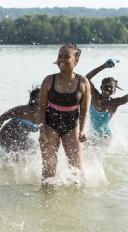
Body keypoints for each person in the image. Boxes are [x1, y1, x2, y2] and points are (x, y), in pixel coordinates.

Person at [39, 43, 91, 183]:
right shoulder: (49, 80)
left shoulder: (83, 82)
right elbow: (41, 108)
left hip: (72, 126)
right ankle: (47, 201)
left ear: (76, 61)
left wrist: (83, 130)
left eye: (66, 56)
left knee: (78, 173)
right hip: (50, 126)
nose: (61, 59)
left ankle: (77, 203)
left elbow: (85, 111)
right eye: (59, 56)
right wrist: (42, 130)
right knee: (48, 172)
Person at [85, 59, 128, 140]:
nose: (108, 88)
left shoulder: (115, 102)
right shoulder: (94, 95)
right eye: (105, 85)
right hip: (92, 134)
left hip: (106, 136)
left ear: (114, 90)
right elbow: (86, 78)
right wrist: (103, 66)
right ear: (101, 87)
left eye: (111, 87)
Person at [0, 87, 40, 154]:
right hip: (6, 136)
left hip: (22, 138)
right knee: (15, 157)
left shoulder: (43, 114)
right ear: (35, 99)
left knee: (36, 149)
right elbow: (1, 118)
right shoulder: (22, 110)